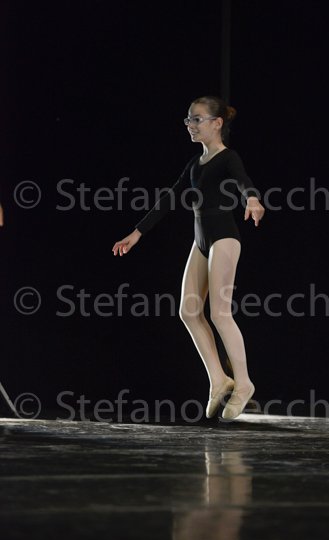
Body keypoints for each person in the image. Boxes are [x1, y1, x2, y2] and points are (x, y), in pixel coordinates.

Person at [112, 95, 265, 420]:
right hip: (201, 241)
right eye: (188, 120)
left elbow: (243, 181)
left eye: (197, 119)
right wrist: (137, 233)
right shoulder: (195, 164)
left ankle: (244, 383)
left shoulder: (228, 157)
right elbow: (170, 197)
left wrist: (252, 199)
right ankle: (218, 380)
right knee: (189, 311)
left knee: (220, 313)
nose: (190, 125)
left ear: (217, 123)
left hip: (224, 238)